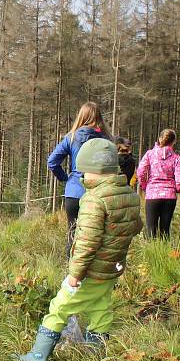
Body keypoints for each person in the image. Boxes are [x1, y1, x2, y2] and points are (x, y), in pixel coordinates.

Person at [18, 138, 142, 361]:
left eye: (84, 172)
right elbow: (136, 227)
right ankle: (96, 354)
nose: (83, 178)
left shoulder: (94, 200)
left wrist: (75, 274)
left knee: (59, 307)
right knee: (101, 307)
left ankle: (37, 358)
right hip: (113, 267)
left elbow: (87, 241)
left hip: (91, 269)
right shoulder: (130, 195)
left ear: (96, 170)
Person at [47, 102, 110, 257]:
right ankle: (93, 276)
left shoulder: (71, 138)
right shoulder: (106, 140)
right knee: (97, 236)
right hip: (98, 193)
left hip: (74, 192)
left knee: (73, 234)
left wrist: (66, 178)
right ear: (99, 117)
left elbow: (52, 162)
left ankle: (71, 275)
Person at [137, 129, 180, 238]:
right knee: (165, 230)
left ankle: (151, 253)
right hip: (169, 196)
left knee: (150, 229)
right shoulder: (176, 158)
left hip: (152, 194)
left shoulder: (149, 154)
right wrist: (176, 189)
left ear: (159, 139)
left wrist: (144, 186)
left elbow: (141, 172)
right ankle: (164, 253)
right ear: (173, 142)